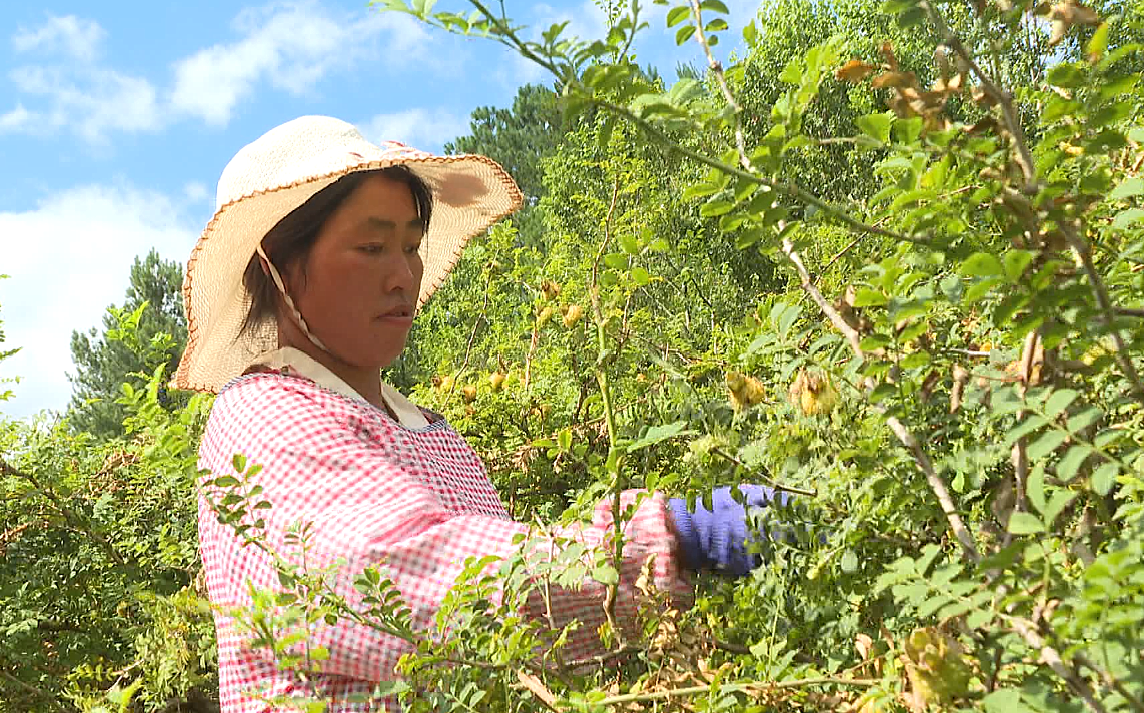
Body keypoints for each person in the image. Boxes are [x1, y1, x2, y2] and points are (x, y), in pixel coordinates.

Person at [174, 116, 787, 712]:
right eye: (371, 247)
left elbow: (521, 623)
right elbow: (432, 583)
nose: (403, 276)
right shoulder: (265, 419)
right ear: (277, 266)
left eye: (411, 246)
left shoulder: (424, 428)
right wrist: (669, 537)